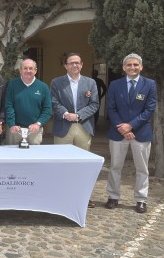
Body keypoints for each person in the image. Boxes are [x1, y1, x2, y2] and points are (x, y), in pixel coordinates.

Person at [105, 53, 156, 214]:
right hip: (118, 132)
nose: (132, 67)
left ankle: (141, 199)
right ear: (123, 67)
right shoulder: (115, 84)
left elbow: (149, 109)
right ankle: (113, 196)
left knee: (142, 169)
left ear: (141, 66)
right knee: (114, 167)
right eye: (129, 65)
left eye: (135, 65)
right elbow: (111, 108)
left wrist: (131, 126)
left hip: (140, 133)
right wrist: (123, 127)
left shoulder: (150, 84)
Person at [50, 53, 99, 208]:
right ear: (66, 66)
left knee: (83, 164)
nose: (74, 66)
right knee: (61, 163)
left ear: (82, 64)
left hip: (83, 126)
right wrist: (66, 114)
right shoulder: (56, 82)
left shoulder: (90, 83)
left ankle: (84, 196)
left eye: (77, 63)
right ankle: (60, 195)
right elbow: (53, 102)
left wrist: (78, 115)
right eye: (71, 63)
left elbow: (94, 104)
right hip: (63, 126)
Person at [5, 58, 52, 145]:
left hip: (34, 131)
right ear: (20, 70)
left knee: (34, 157)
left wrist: (38, 124)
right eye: (25, 68)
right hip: (15, 130)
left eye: (31, 68)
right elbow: (8, 106)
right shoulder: (12, 84)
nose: (28, 71)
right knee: (12, 156)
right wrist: (12, 124)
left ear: (35, 70)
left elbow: (47, 110)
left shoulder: (43, 87)